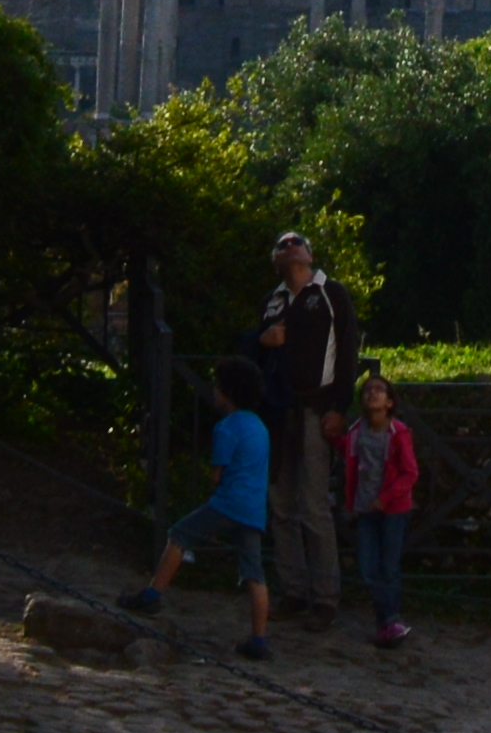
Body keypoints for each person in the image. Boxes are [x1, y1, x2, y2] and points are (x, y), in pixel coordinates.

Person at [128, 349, 276, 655]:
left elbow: (216, 475)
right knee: (254, 573)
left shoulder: (226, 427)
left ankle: (153, 595)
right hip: (253, 508)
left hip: (228, 503)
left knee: (179, 535)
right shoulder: (261, 427)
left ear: (228, 392)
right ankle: (259, 640)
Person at [256, 229, 361, 613]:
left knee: (315, 504)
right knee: (281, 504)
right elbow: (254, 352)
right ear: (275, 259)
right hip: (279, 413)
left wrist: (340, 406)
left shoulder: (332, 293)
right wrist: (262, 340)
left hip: (317, 409)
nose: (290, 246)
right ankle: (294, 590)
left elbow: (349, 351)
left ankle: (325, 598)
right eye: (282, 243)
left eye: (296, 242)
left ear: (310, 254)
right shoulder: (272, 301)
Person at [341, 369, 421, 648]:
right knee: (367, 566)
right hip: (365, 508)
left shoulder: (398, 433)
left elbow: (410, 473)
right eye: (368, 390)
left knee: (388, 566)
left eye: (379, 390)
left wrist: (386, 498)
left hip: (393, 510)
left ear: (389, 402)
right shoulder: (356, 432)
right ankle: (387, 619)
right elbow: (348, 458)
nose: (372, 393)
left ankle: (388, 620)